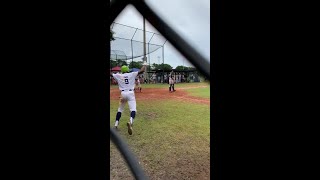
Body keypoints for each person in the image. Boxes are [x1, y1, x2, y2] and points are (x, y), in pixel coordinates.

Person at [110, 62, 147, 135]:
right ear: (127, 70)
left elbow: (111, 74)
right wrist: (144, 65)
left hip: (123, 94)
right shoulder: (132, 74)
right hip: (130, 93)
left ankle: (116, 125)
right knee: (133, 109)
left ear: (122, 70)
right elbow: (142, 71)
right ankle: (130, 122)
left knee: (120, 110)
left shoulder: (118, 75)